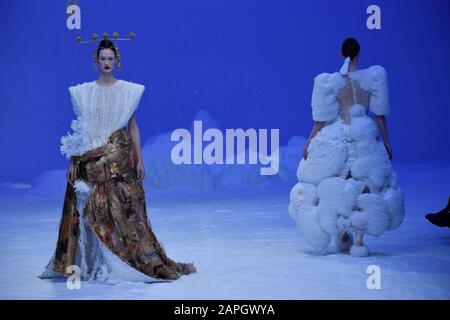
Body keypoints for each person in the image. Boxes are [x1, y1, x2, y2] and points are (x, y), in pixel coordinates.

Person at [39, 38, 196, 282]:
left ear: (116, 61)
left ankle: (124, 258)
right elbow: (81, 131)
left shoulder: (127, 92)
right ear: (96, 61)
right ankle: (90, 261)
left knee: (127, 205)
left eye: (110, 58)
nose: (106, 63)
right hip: (89, 159)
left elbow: (133, 128)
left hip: (118, 160)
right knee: (86, 195)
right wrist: (71, 162)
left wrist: (139, 159)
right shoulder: (84, 93)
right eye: (102, 58)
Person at [288, 37, 405, 257]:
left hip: (338, 138)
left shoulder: (332, 81)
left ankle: (342, 232)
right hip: (365, 138)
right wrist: (387, 141)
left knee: (339, 183)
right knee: (366, 184)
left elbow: (321, 120)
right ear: (359, 53)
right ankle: (359, 240)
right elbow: (379, 115)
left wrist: (310, 141)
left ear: (342, 53)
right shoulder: (371, 79)